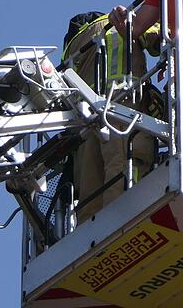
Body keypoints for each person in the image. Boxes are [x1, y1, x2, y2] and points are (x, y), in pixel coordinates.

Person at [61, 12, 159, 224]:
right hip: (121, 105)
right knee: (124, 163)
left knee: (90, 188)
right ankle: (126, 218)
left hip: (85, 123)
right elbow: (158, 38)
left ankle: (89, 238)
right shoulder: (116, 22)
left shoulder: (71, 52)